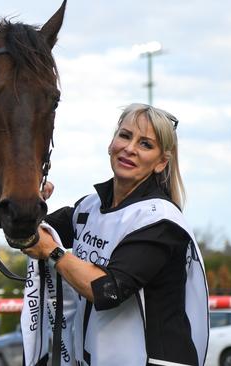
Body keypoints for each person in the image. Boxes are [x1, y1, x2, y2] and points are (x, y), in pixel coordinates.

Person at [22, 103, 209, 366]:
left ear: (161, 163)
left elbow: (107, 290)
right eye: (125, 135)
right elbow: (30, 232)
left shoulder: (161, 221)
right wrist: (29, 202)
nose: (130, 148)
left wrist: (53, 252)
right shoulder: (89, 207)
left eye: (145, 144)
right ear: (111, 142)